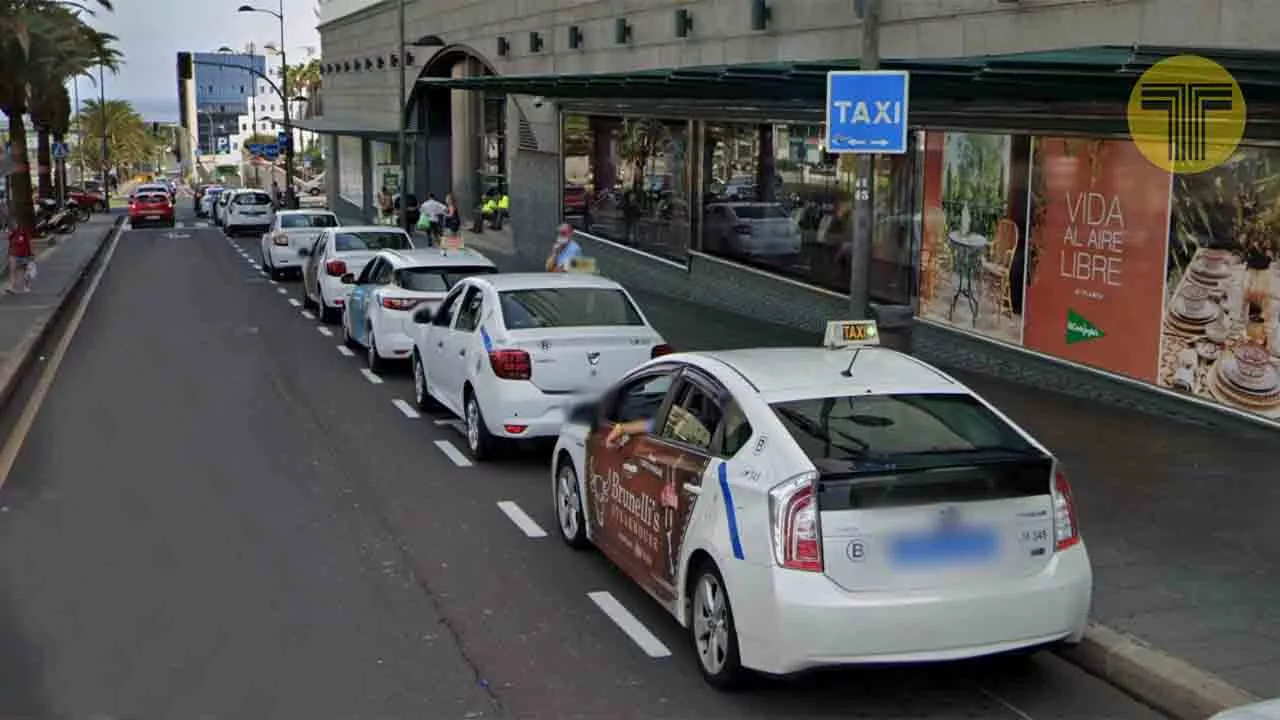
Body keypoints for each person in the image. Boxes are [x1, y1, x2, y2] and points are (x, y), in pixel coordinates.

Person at [6, 224, 34, 294]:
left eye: (14, 225)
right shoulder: (12, 235)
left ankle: (26, 286)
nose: (13, 227)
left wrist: (30, 254)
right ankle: (12, 287)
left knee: (25, 271)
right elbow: (10, 245)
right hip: (13, 255)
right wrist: (9, 253)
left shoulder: (23, 233)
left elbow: (28, 243)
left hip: (24, 255)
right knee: (12, 271)